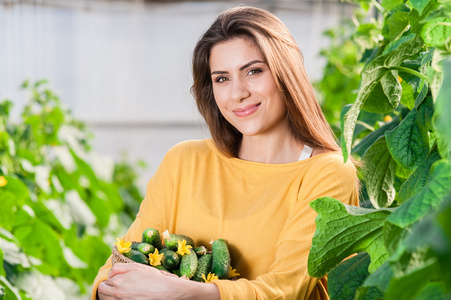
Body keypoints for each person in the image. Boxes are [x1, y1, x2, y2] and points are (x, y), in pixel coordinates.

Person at [93, 5, 359, 300]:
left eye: (253, 71)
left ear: (287, 73)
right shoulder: (184, 161)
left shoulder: (327, 173)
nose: (237, 93)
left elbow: (287, 290)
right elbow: (116, 268)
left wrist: (182, 292)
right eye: (222, 78)